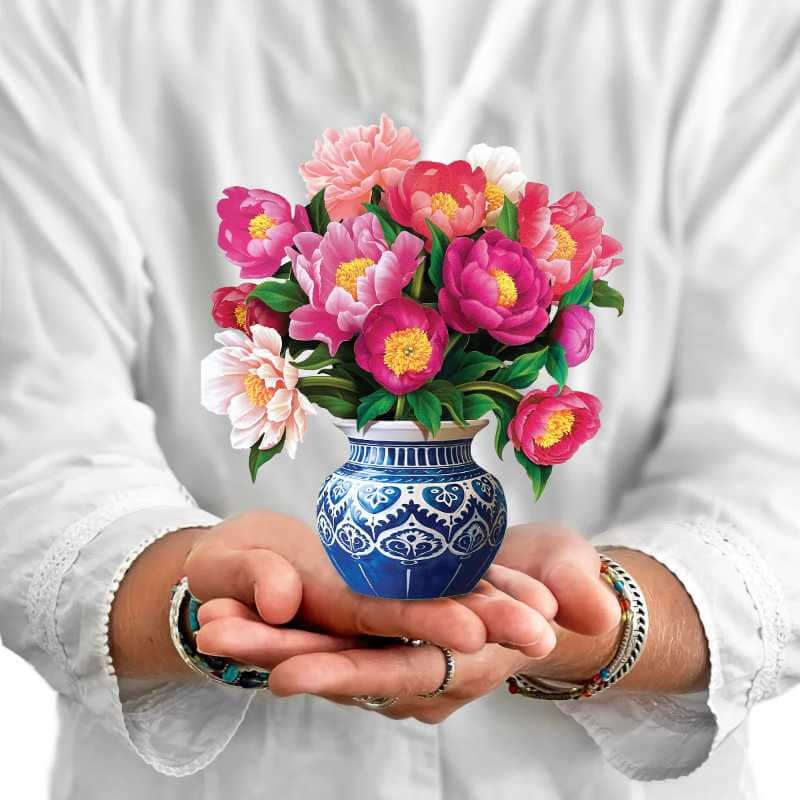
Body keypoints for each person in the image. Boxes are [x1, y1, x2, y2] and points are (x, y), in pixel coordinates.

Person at [1, 1, 798, 798]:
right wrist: (192, 602)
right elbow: (33, 442)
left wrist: (611, 618)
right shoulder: (66, 21)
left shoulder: (736, 24)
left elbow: (773, 460)